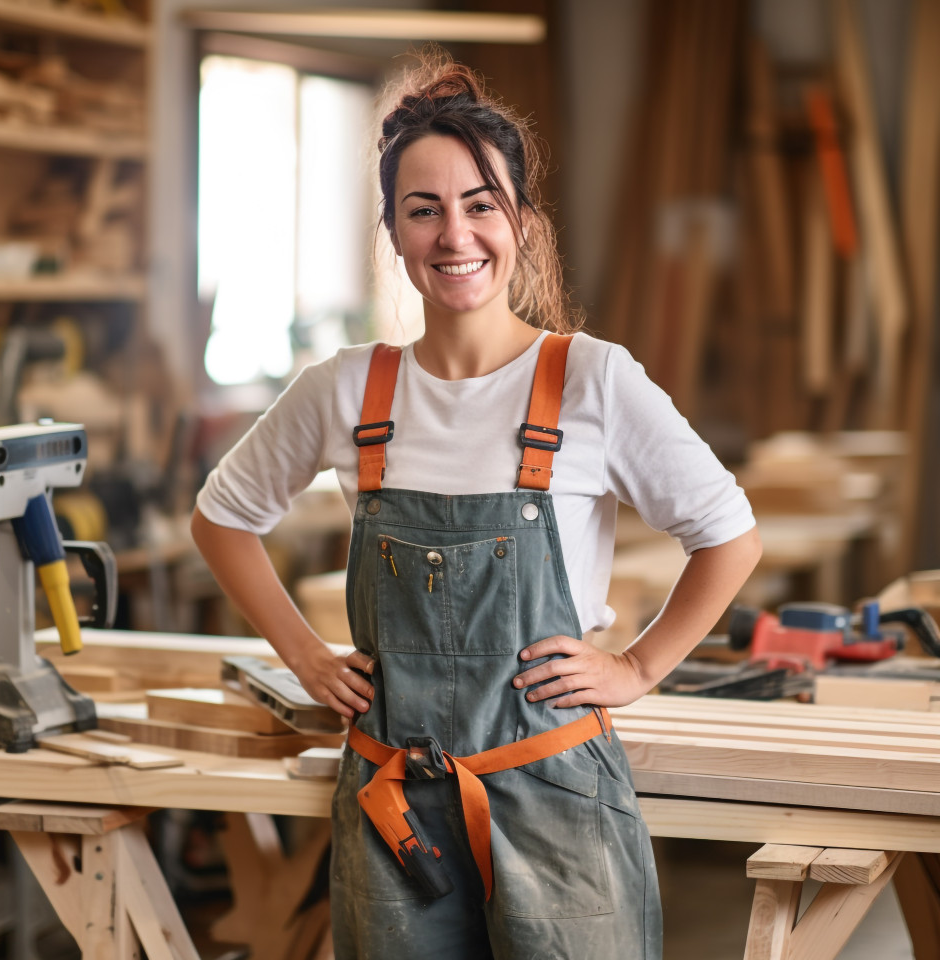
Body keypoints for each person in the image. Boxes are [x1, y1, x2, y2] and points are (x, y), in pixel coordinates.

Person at [191, 50, 762, 960]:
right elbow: (221, 520)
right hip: (395, 809)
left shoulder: (591, 380)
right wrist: (303, 657)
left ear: (522, 223)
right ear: (395, 232)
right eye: (424, 210)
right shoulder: (347, 391)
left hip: (556, 797)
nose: (455, 235)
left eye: (480, 205)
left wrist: (640, 667)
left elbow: (727, 533)